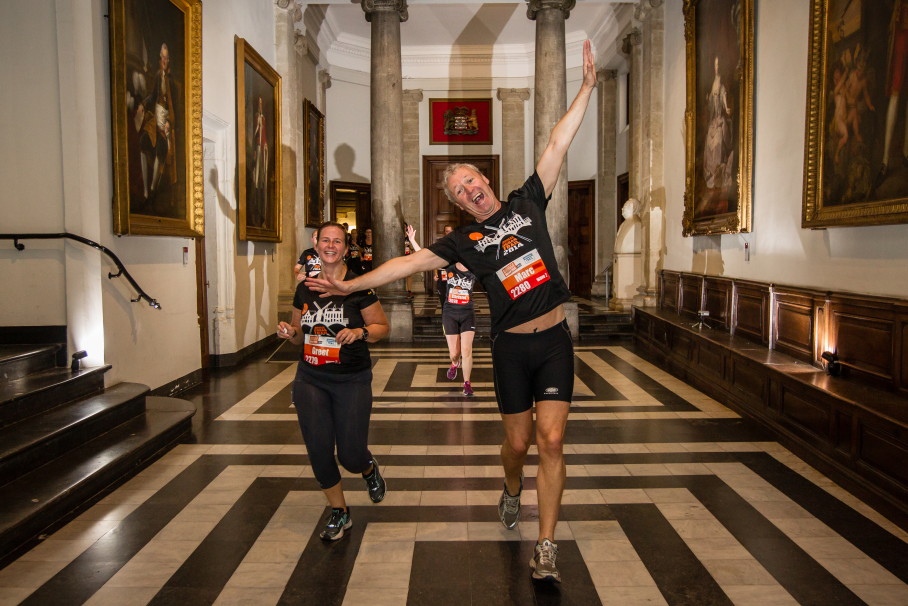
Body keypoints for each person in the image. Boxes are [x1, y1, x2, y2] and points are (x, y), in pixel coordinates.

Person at [307, 40, 598, 583]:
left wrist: (585, 88)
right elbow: (404, 264)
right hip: (511, 348)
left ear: (486, 181)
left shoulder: (528, 201)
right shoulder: (463, 241)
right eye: (459, 191)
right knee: (518, 443)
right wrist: (347, 287)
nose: (469, 191)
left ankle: (546, 545)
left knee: (552, 440)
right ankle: (510, 487)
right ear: (460, 204)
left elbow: (558, 142)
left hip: (555, 339)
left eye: (472, 181)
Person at [277, 221, 390, 541]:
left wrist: (359, 332)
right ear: (316, 246)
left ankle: (367, 467)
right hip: (310, 378)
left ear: (346, 248)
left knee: (350, 455)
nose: (330, 245)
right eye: (325, 240)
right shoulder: (304, 288)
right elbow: (299, 337)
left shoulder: (358, 286)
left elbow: (382, 328)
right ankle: (340, 511)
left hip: (351, 379)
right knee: (319, 450)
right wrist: (290, 332)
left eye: (337, 241)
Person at [407, 225, 476, 396]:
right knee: (455, 353)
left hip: (467, 313)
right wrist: (413, 241)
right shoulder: (448, 267)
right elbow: (426, 260)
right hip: (450, 313)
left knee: (467, 350)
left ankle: (467, 383)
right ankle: (454, 363)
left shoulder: (475, 268)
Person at [137, 43, 178, 201]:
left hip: (165, 125)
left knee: (161, 148)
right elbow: (152, 96)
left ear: (169, 60)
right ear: (159, 58)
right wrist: (143, 104)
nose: (164, 60)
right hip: (155, 122)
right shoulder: (157, 76)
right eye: (162, 57)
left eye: (166, 58)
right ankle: (145, 190)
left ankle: (153, 188)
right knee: (143, 142)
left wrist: (169, 122)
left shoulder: (171, 82)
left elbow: (174, 108)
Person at [434, 225, 454, 308]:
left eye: (450, 231)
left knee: (452, 299)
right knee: (443, 298)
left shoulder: (457, 244)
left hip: (453, 274)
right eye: (446, 231)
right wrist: (436, 273)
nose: (448, 233)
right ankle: (444, 315)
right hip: (442, 274)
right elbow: (435, 260)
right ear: (444, 232)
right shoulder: (440, 244)